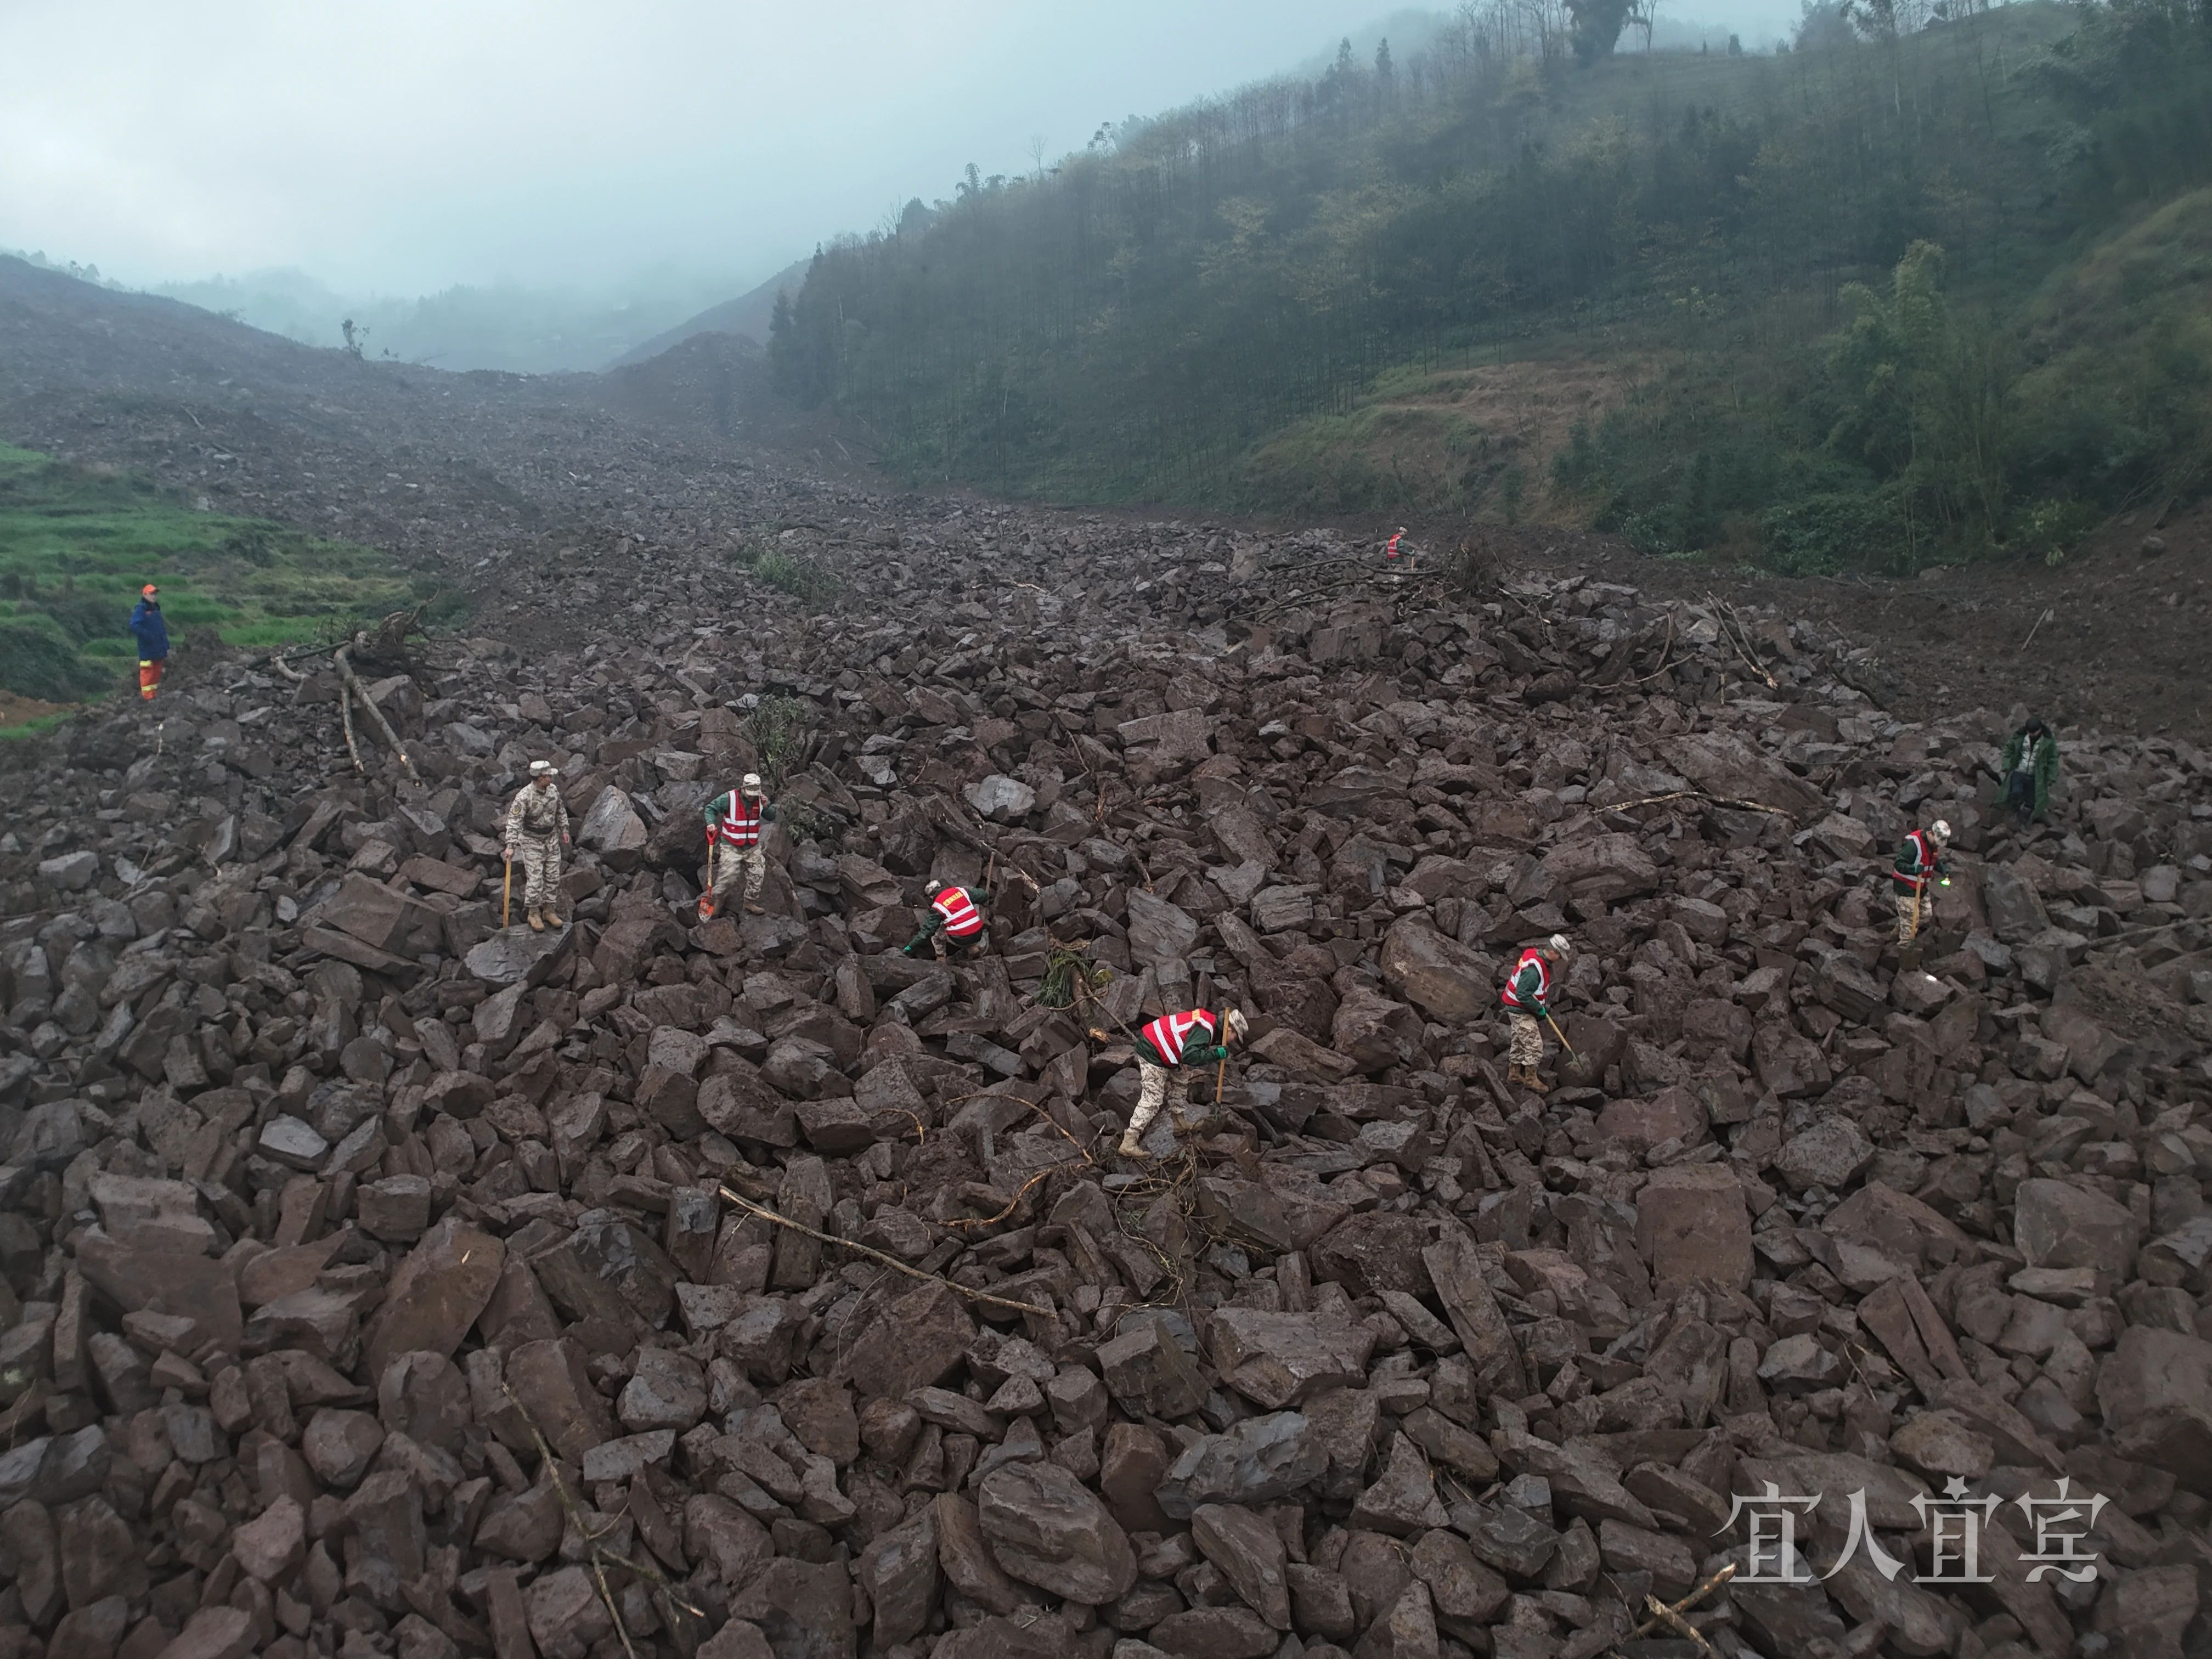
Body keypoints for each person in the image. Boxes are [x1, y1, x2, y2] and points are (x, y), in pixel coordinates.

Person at [1106, 1006, 1249, 1159]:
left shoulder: (1209, 1022)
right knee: (1153, 1099)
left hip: (1165, 1045)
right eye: (1235, 1036)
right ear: (1228, 1029)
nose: (1234, 1041)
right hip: (1153, 1048)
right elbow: (1190, 1056)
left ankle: (1179, 1122)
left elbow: (1187, 1046)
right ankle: (1129, 1141)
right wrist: (1215, 1054)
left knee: (1182, 1076)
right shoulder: (1205, 1029)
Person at [504, 760, 571, 932]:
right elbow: (514, 821)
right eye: (548, 775)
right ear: (540, 778)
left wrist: (564, 829)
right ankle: (533, 913)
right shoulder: (524, 797)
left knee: (553, 876)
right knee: (535, 880)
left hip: (551, 839)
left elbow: (560, 810)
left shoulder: (553, 790)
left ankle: (549, 910)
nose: (551, 778)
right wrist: (511, 844)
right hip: (532, 841)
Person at [699, 773, 776, 921]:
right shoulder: (729, 798)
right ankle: (715, 901)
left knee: (758, 874)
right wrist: (711, 823)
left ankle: (750, 902)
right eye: (750, 794)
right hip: (731, 845)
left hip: (751, 846)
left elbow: (771, 816)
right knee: (728, 878)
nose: (753, 797)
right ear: (743, 788)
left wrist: (767, 807)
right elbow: (710, 809)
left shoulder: (761, 800)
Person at [1500, 934, 1571, 1092]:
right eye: (1559, 956)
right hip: (1519, 1009)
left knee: (1519, 1039)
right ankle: (1531, 1079)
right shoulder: (1534, 971)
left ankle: (1514, 1074)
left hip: (1516, 1005)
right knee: (1535, 1044)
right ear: (1553, 952)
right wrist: (1539, 1009)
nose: (1559, 960)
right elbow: (1523, 995)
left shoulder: (1532, 953)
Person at [1892, 819, 1953, 946]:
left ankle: (1901, 925)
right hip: (1906, 887)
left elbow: (1932, 861)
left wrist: (1942, 868)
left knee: (1925, 914)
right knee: (1910, 923)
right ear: (1931, 833)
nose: (1938, 844)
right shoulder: (1913, 844)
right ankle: (1905, 954)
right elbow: (1898, 864)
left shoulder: (1933, 845)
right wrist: (1914, 869)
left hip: (1921, 887)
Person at [904, 879, 995, 960]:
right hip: (978, 934)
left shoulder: (937, 906)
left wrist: (911, 946)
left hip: (960, 939)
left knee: (936, 929)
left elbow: (926, 932)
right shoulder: (960, 891)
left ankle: (941, 957)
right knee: (975, 905)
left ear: (931, 897)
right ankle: (973, 948)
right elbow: (984, 895)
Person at [2001, 716, 2058, 823]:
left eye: (2034, 732)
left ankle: (2023, 821)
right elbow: (2008, 749)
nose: (2032, 735)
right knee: (2016, 793)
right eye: (2029, 732)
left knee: (2032, 802)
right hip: (2019, 771)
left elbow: (2053, 759)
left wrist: (2052, 776)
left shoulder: (2048, 741)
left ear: (2040, 730)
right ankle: (2015, 812)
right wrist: (2006, 765)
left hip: (2036, 775)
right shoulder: (2019, 737)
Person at [128, 584, 169, 702]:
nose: (154, 596)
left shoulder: (156, 609)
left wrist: (165, 644)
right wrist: (147, 636)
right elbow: (134, 625)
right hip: (147, 648)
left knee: (156, 671)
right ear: (145, 595)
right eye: (151, 594)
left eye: (155, 594)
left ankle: (153, 695)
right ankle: (147, 697)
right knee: (147, 671)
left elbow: (160, 629)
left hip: (158, 647)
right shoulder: (141, 609)